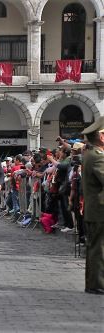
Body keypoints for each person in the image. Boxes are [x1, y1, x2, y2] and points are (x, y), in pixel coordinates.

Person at [80, 116, 104, 294]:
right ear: (101, 137)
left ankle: (93, 283)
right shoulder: (97, 157)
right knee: (99, 248)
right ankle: (98, 284)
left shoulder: (91, 154)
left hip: (95, 210)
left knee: (95, 247)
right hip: (99, 210)